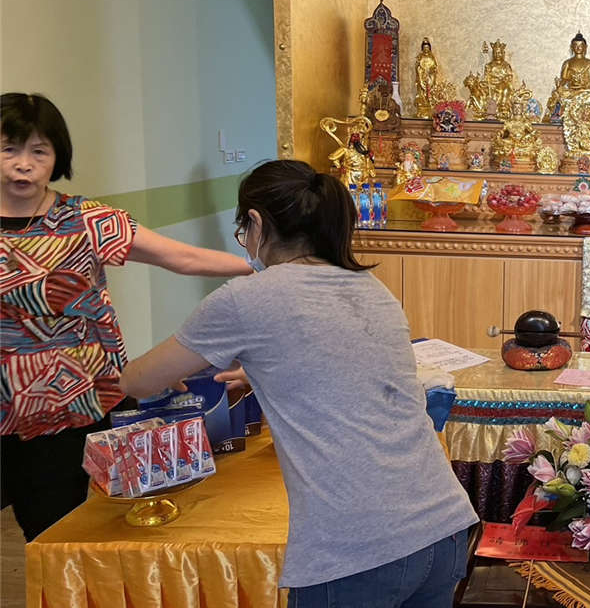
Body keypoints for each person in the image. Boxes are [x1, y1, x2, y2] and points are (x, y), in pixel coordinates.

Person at [120, 159, 478, 607]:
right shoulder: (371, 288)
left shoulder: (245, 298)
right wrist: (258, 371)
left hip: (357, 549)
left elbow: (138, 381)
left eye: (243, 230)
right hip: (443, 526)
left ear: (255, 222)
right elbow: (346, 361)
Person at [0, 92, 250, 541]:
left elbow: (182, 258)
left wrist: (263, 267)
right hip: (9, 408)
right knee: (38, 529)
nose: (24, 165)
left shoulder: (87, 220)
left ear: (57, 156)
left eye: (38, 151)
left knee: (76, 530)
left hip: (85, 402)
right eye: (9, 149)